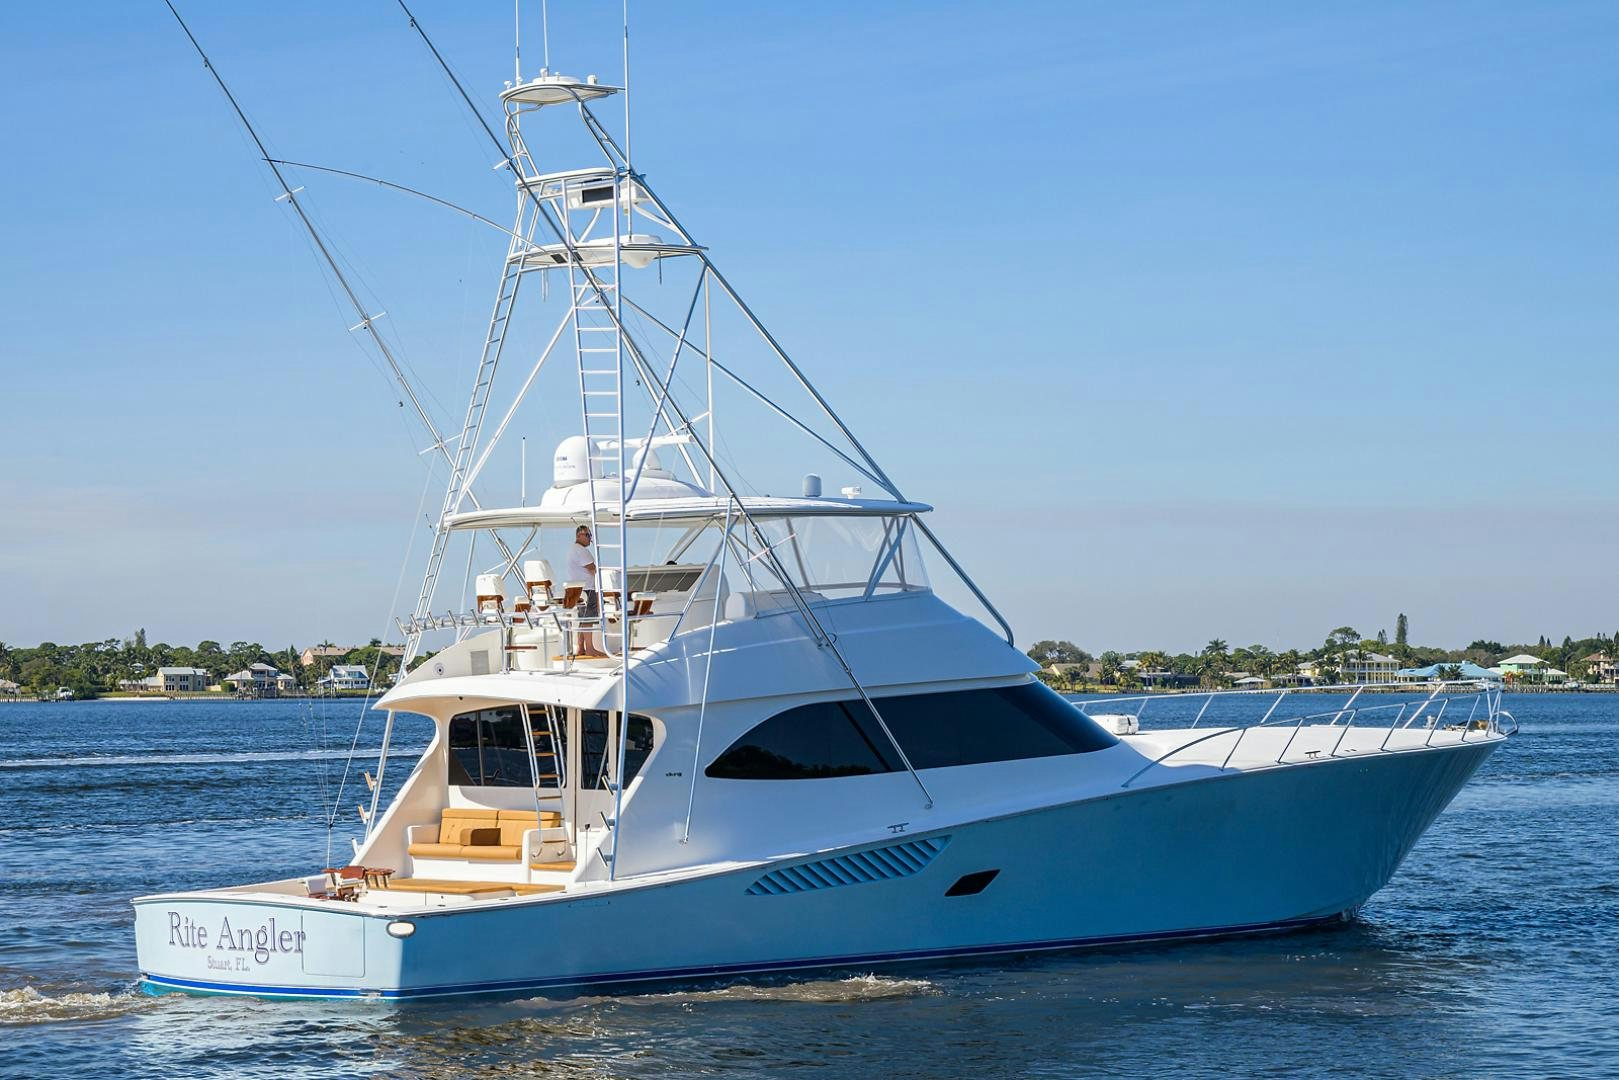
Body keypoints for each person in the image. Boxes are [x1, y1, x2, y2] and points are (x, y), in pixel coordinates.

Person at [567, 525, 605, 657]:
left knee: (582, 619)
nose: (590, 539)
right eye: (587, 535)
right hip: (587, 589)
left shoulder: (574, 549)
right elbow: (593, 569)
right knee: (588, 619)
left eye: (590, 536)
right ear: (579, 536)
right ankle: (590, 648)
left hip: (578, 590)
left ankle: (581, 648)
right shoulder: (581, 550)